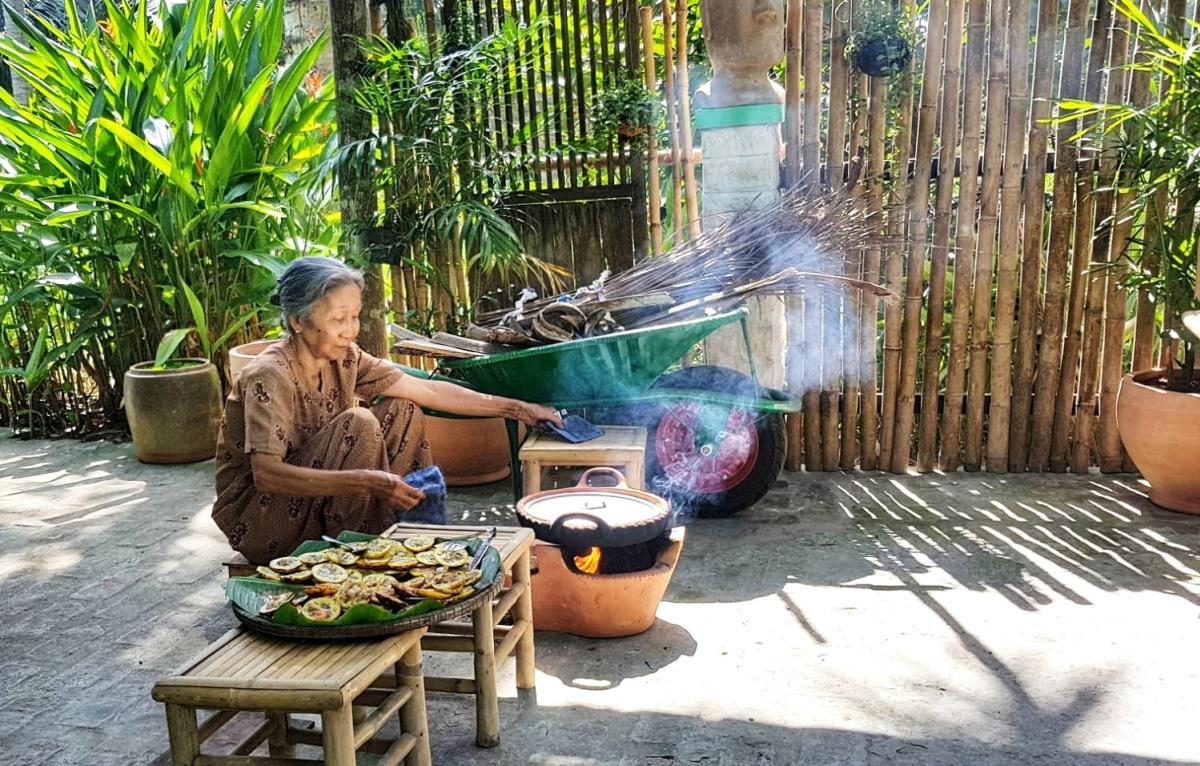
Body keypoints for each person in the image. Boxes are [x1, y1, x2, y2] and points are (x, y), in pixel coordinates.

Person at [212, 256, 561, 563]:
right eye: (338, 319)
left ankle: (404, 532)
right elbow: (267, 474)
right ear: (297, 321)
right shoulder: (269, 375)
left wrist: (518, 409)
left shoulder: (346, 357)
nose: (350, 330)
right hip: (261, 517)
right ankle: (364, 551)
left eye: (355, 317)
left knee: (402, 409)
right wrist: (368, 481)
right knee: (359, 423)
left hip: (317, 504)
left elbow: (425, 389)